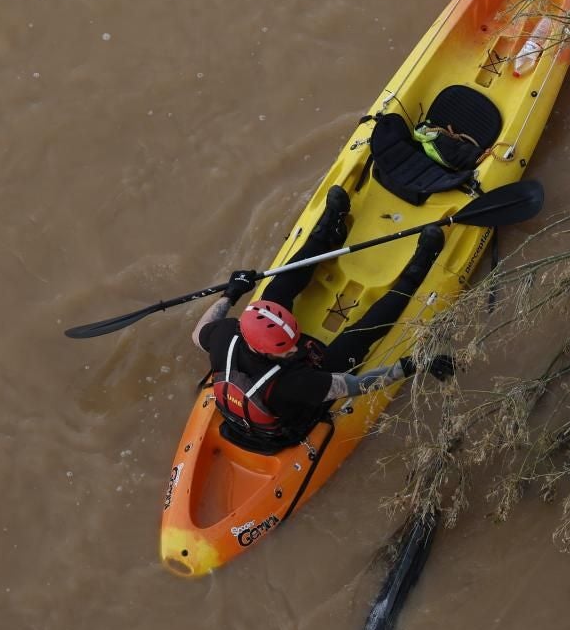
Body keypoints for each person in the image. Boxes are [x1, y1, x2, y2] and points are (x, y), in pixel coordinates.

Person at [191, 185, 451, 447]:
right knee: (357, 338)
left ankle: (326, 236)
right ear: (267, 353)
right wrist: (416, 364)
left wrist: (232, 293)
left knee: (275, 290)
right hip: (284, 420)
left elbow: (197, 332)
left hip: (255, 395)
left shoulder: (224, 334)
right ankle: (416, 272)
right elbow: (359, 385)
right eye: (288, 349)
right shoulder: (296, 383)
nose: (297, 346)